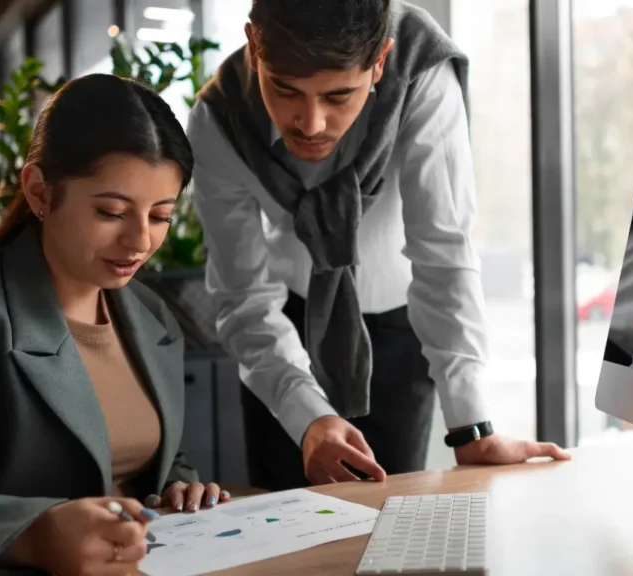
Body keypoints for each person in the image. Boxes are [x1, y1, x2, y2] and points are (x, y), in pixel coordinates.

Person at [188, 0, 571, 492]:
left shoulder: (422, 72)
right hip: (281, 330)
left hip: (400, 325)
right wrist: (307, 416)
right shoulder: (218, 118)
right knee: (286, 519)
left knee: (395, 513)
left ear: (381, 60)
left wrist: (472, 427)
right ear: (253, 45)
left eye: (338, 95)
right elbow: (242, 294)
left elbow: (444, 251)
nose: (311, 124)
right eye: (285, 90)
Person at [0, 74, 229, 576]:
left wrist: (178, 486)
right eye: (112, 212)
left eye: (160, 216)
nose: (140, 241)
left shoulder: (150, 315)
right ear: (40, 191)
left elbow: (147, 456)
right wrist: (31, 535)